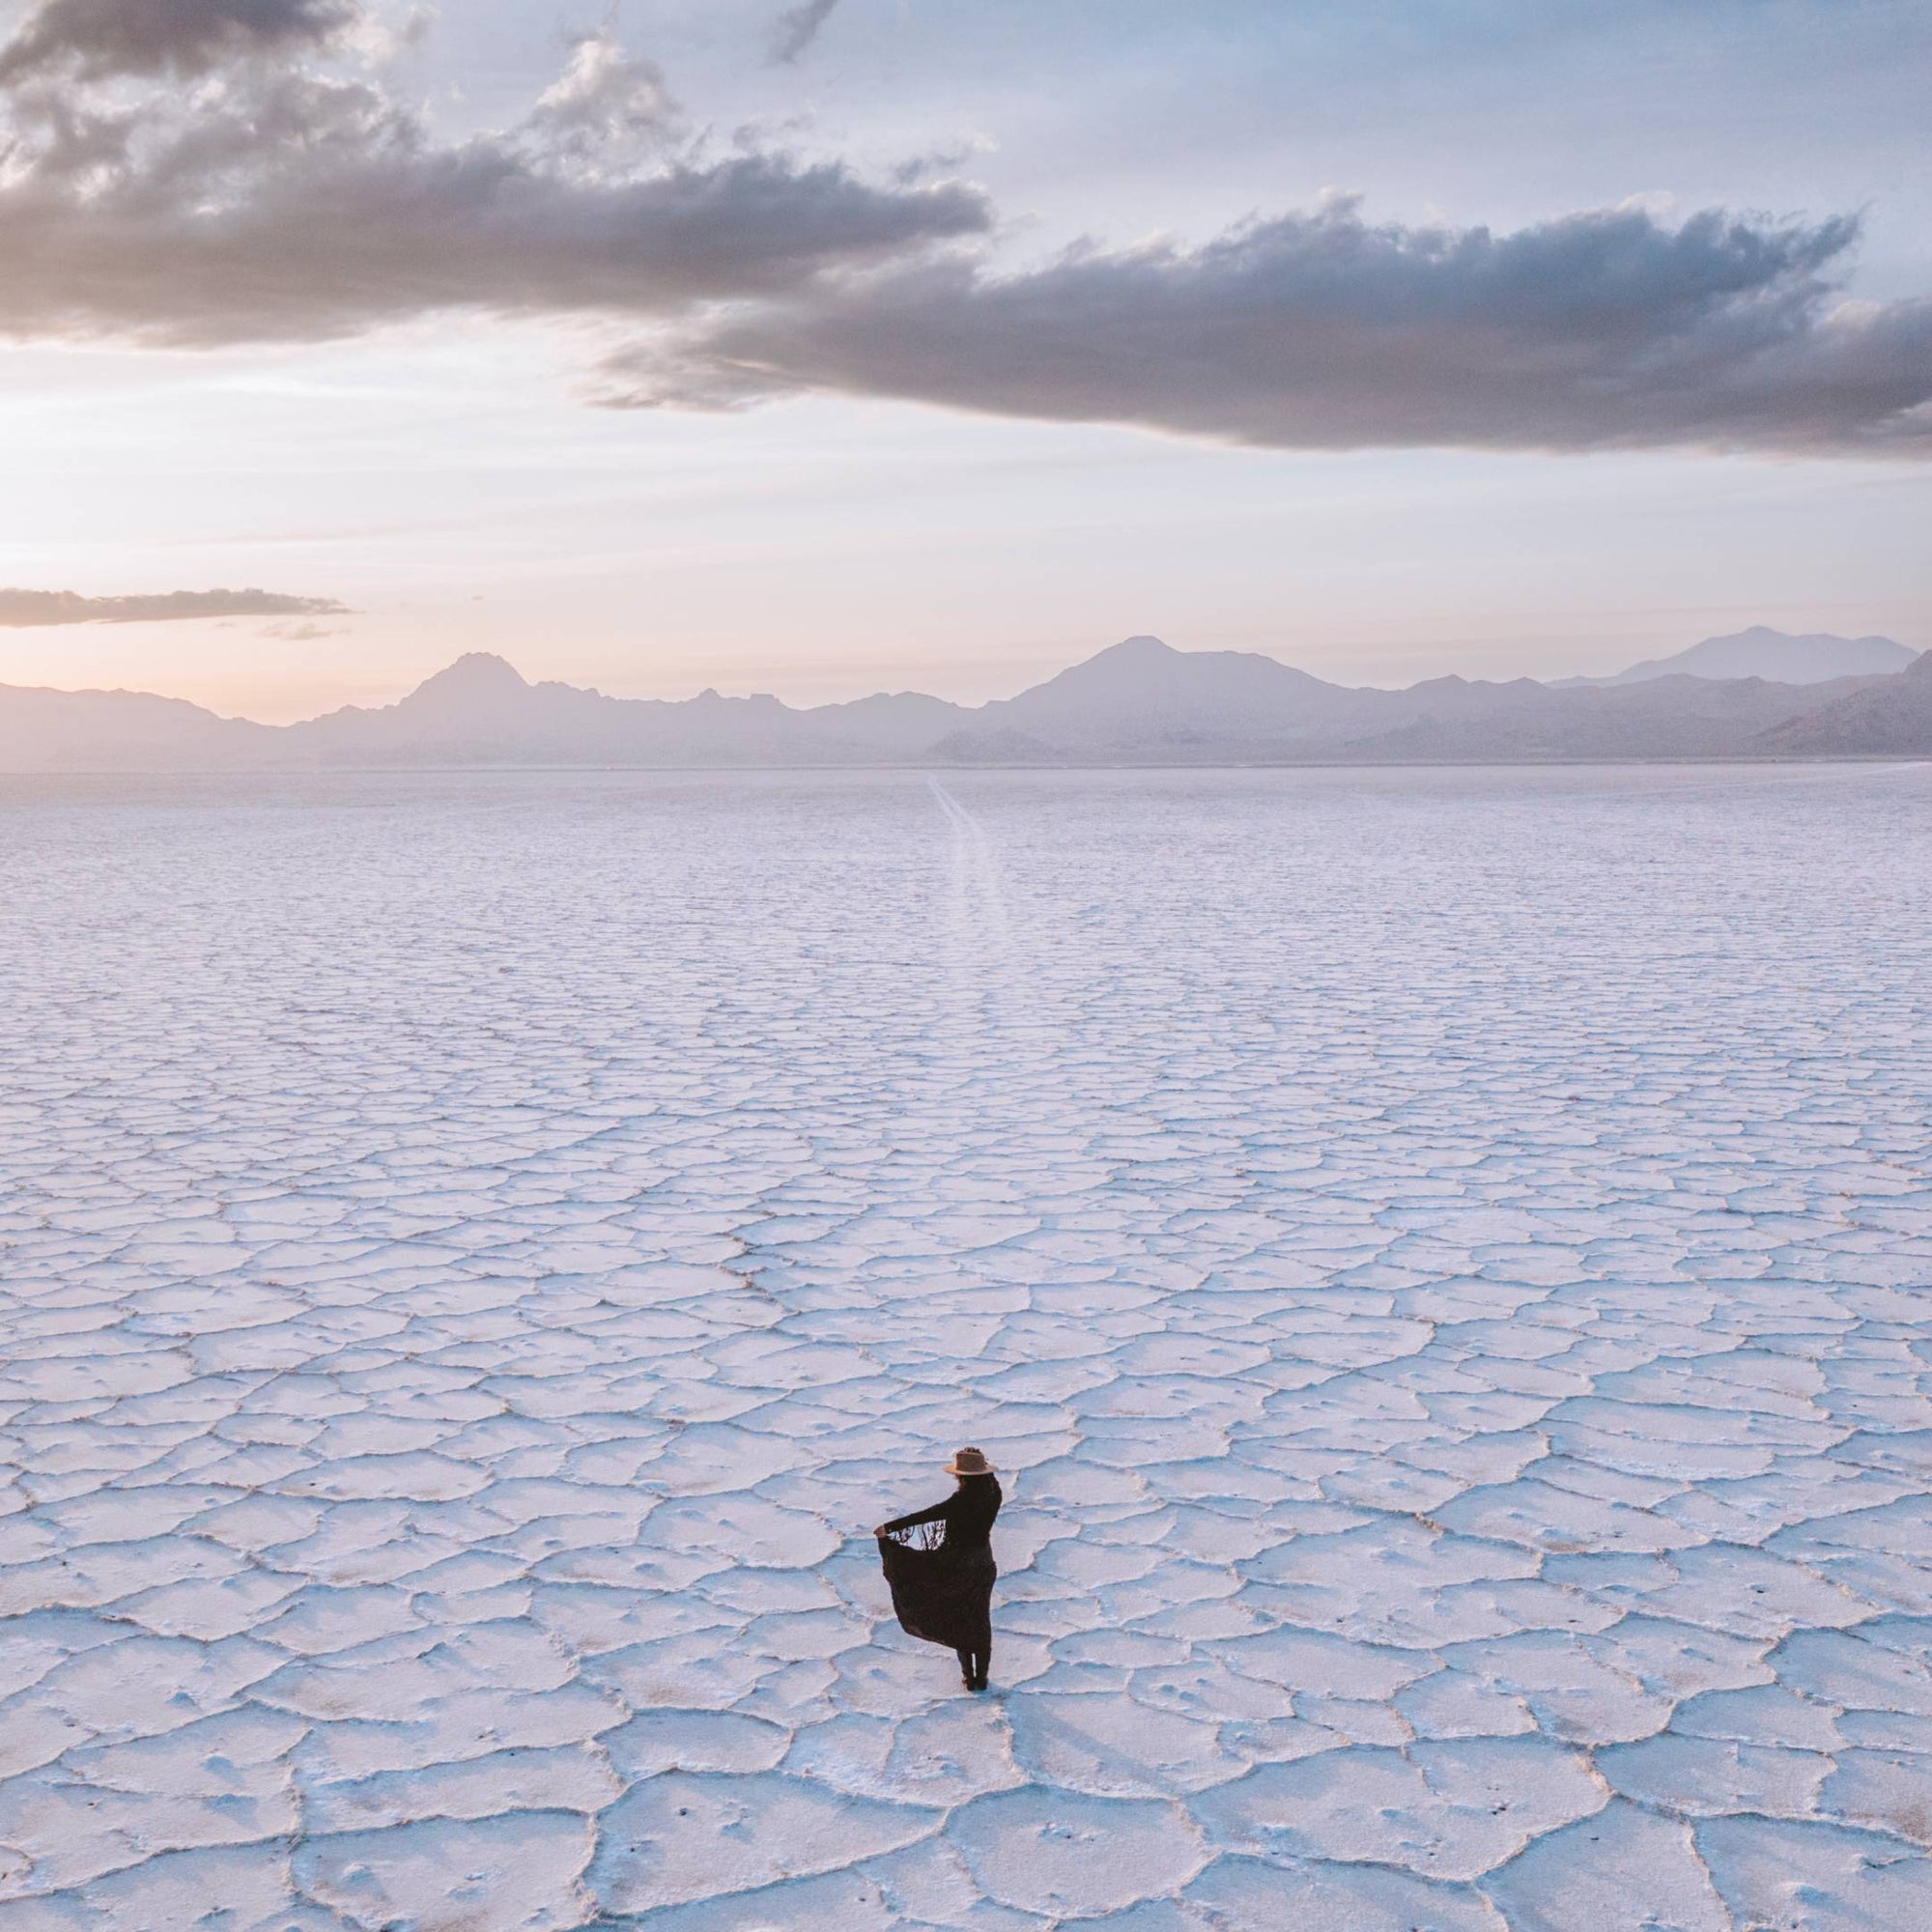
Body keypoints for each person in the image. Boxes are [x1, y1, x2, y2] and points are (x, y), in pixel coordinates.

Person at [875, 1447, 1003, 1690]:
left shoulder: (963, 1499)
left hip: (958, 1566)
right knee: (980, 1618)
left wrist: (890, 1528)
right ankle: (981, 1678)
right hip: (984, 1564)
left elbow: (930, 1514)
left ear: (962, 1475)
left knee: (958, 1618)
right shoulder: (994, 1493)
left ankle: (969, 1677)